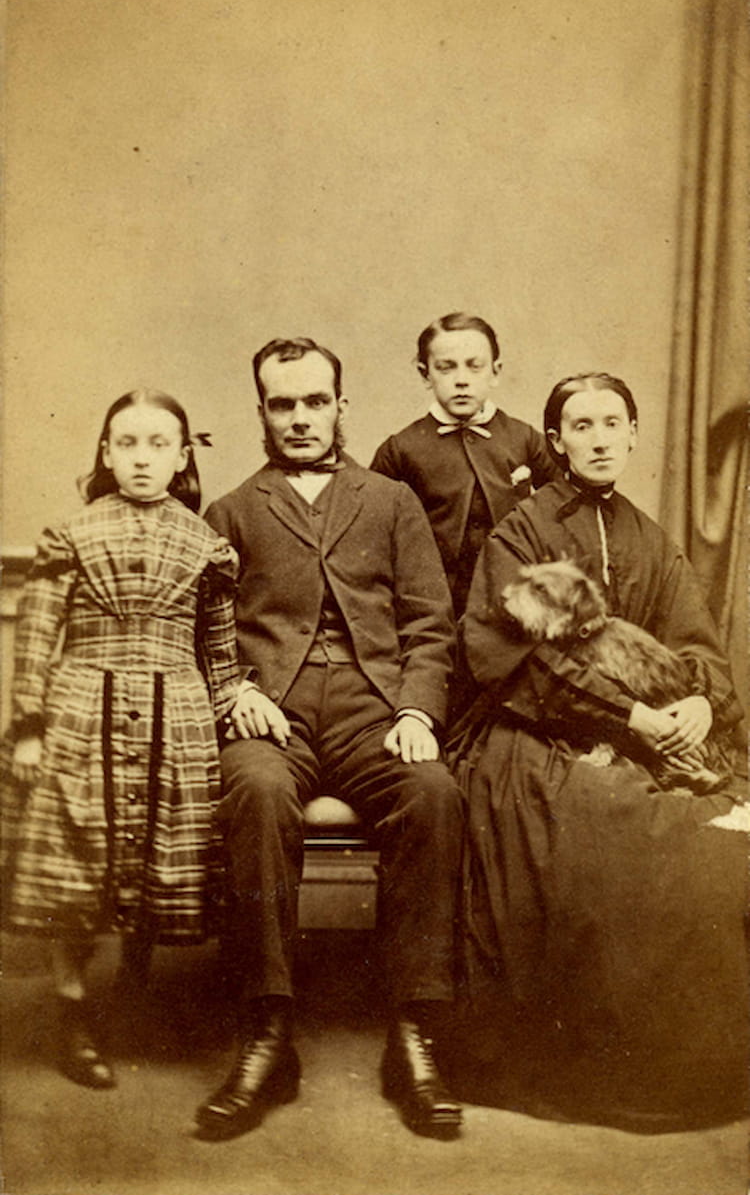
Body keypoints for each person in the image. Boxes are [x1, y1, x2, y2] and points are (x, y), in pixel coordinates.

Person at [448, 372, 749, 1129]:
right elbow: (508, 658)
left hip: (649, 731)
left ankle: (688, 1063)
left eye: (613, 423)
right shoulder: (521, 532)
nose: (600, 439)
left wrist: (696, 701)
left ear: (634, 434)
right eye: (581, 426)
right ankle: (588, 1060)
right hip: (532, 729)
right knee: (603, 822)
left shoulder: (651, 538)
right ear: (556, 442)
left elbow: (696, 642)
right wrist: (628, 716)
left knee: (704, 837)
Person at [197, 336, 465, 1141]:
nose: (301, 417)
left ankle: (413, 1033)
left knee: (433, 792)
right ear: (262, 411)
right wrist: (238, 692)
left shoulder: (391, 501)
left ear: (341, 405)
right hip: (271, 709)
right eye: (283, 403)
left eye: (316, 401)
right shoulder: (232, 511)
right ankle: (267, 1029)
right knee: (256, 787)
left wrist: (416, 712)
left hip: (372, 706)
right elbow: (204, 635)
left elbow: (429, 624)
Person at [2, 390, 241, 1091]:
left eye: (158, 444)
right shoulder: (71, 534)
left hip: (178, 714)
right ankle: (72, 1007)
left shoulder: (205, 544)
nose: (142, 458)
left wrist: (230, 719)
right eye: (127, 443)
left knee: (163, 855)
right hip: (81, 712)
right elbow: (37, 636)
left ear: (182, 456)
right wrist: (29, 729)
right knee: (78, 861)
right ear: (106, 453)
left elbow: (220, 654)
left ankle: (138, 991)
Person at [370, 313, 558, 621]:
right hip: (432, 608)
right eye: (446, 367)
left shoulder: (524, 439)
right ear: (425, 374)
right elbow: (371, 534)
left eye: (475, 366)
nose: (461, 380)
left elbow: (566, 509)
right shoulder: (400, 449)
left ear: (495, 372)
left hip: (514, 606)